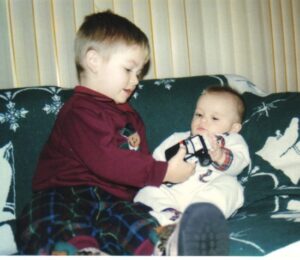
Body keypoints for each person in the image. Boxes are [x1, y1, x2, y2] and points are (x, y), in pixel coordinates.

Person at [15, 10, 224, 256]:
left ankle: (168, 245)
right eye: (128, 69)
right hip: (67, 193)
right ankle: (82, 251)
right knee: (52, 218)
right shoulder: (79, 111)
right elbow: (108, 160)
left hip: (115, 200)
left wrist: (165, 176)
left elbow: (137, 165)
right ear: (93, 61)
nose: (136, 80)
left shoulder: (130, 116)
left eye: (139, 72)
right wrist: (164, 172)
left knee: (135, 220)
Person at [134, 86, 250, 227]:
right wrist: (165, 171)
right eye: (199, 115)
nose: (203, 121)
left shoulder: (233, 140)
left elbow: (240, 163)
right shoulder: (176, 138)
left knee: (232, 187)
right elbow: (156, 163)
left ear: (233, 128)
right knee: (148, 191)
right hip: (174, 192)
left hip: (208, 191)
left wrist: (220, 156)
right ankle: (169, 217)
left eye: (214, 118)